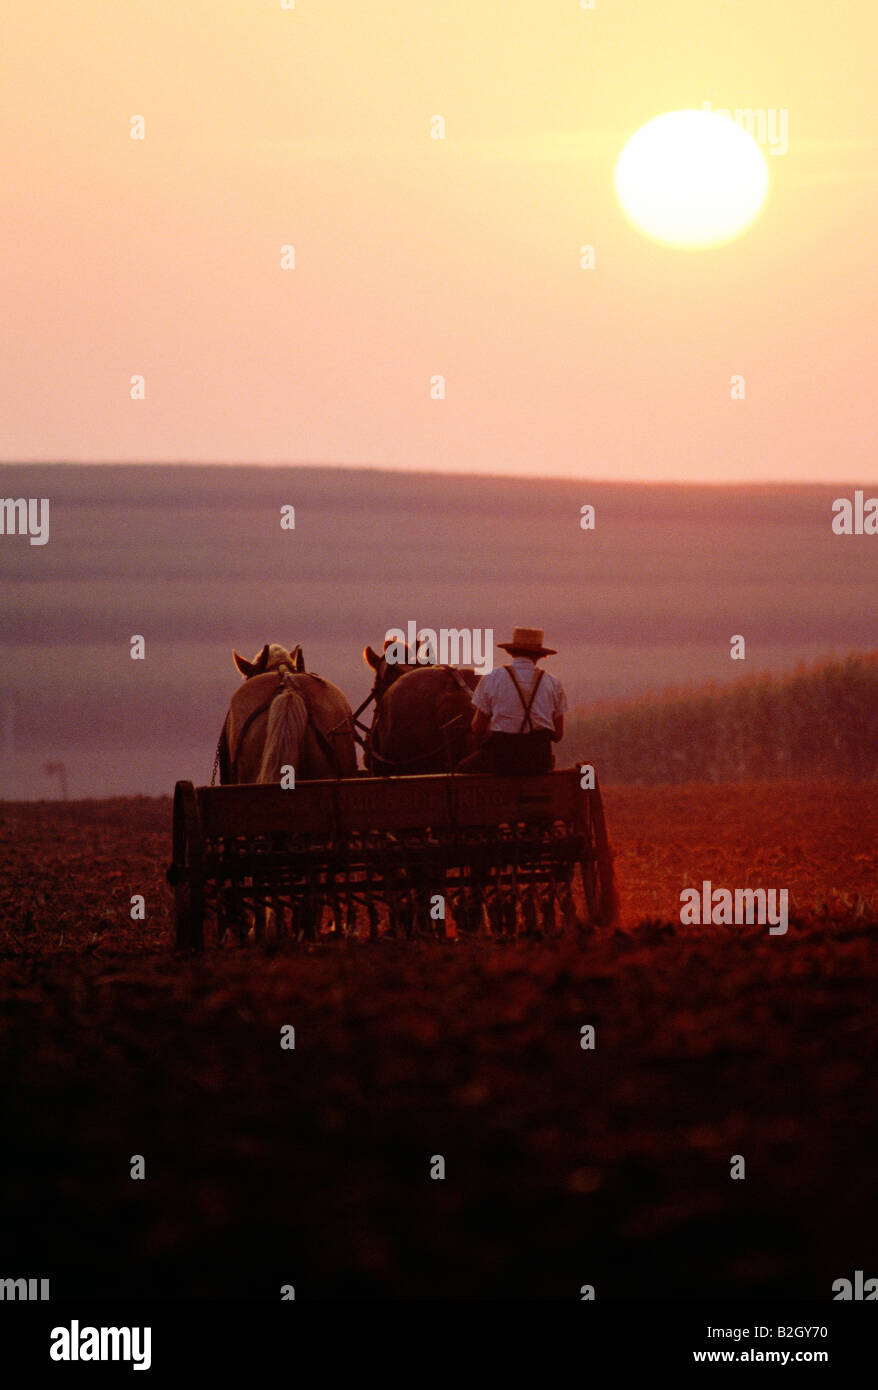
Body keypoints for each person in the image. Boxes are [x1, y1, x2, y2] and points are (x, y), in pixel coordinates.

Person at [455, 627, 567, 775]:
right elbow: (558, 735)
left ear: (511, 652)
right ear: (539, 655)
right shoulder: (553, 683)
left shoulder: (492, 677)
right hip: (539, 762)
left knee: (461, 769)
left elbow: (477, 728)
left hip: (501, 761)